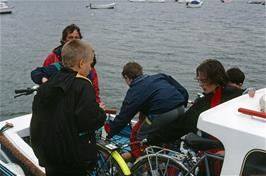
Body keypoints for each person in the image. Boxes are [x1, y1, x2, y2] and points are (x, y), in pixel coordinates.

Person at [147, 59, 243, 176]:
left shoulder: (205, 103)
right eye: (199, 80)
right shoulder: (238, 95)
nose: (200, 84)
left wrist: (151, 138)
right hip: (233, 153)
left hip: (218, 155)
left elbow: (181, 125)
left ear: (215, 78)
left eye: (203, 80)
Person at [30, 39, 107, 176]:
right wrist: (100, 111)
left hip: (48, 154)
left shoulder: (48, 84)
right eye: (90, 63)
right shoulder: (83, 85)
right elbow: (88, 121)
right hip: (71, 158)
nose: (90, 68)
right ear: (81, 63)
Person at [104, 61, 189, 142]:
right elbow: (183, 91)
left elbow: (124, 116)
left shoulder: (135, 90)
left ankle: (145, 157)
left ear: (126, 77)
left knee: (141, 136)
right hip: (181, 108)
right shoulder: (160, 76)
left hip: (163, 113)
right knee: (163, 133)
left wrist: (110, 134)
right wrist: (182, 104)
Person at [34, 24, 102, 104]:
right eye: (70, 37)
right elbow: (38, 73)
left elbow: (94, 89)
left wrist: (96, 104)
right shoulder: (53, 59)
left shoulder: (87, 62)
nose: (73, 40)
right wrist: (43, 80)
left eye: (76, 38)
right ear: (64, 40)